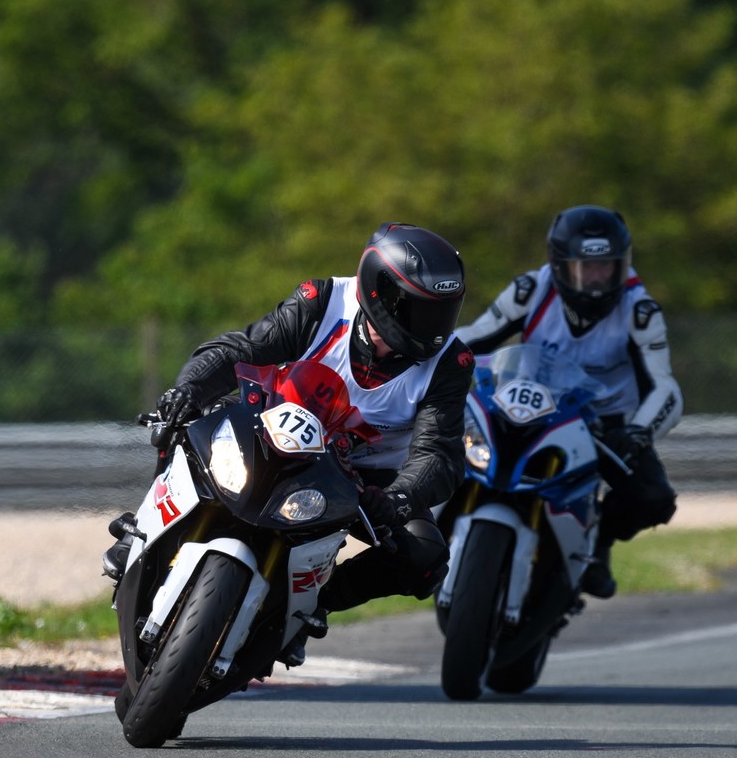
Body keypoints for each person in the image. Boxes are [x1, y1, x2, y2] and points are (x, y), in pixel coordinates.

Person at [104, 222, 476, 658]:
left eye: (442, 312)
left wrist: (397, 497)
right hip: (270, 429)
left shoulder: (451, 361)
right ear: (379, 291)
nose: (434, 328)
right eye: (420, 310)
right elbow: (237, 350)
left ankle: (308, 606)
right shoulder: (323, 302)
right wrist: (189, 389)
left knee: (425, 558)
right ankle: (145, 530)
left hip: (363, 478)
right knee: (187, 418)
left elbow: (439, 453)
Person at [457, 205, 683, 598]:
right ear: (560, 265)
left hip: (606, 423)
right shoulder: (531, 289)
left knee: (655, 499)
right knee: (450, 450)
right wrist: (425, 361)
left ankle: (598, 542)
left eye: (607, 268)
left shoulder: (641, 310)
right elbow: (475, 337)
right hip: (529, 407)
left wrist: (635, 434)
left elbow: (665, 389)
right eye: (586, 268)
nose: (597, 280)